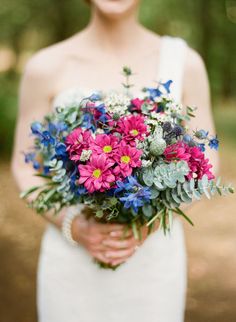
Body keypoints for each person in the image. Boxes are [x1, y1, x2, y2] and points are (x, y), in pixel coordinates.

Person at [11, 0, 219, 321]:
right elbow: (24, 166)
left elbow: (207, 164)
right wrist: (74, 226)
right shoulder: (45, 66)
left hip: (152, 265)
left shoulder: (184, 63)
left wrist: (147, 224)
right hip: (70, 262)